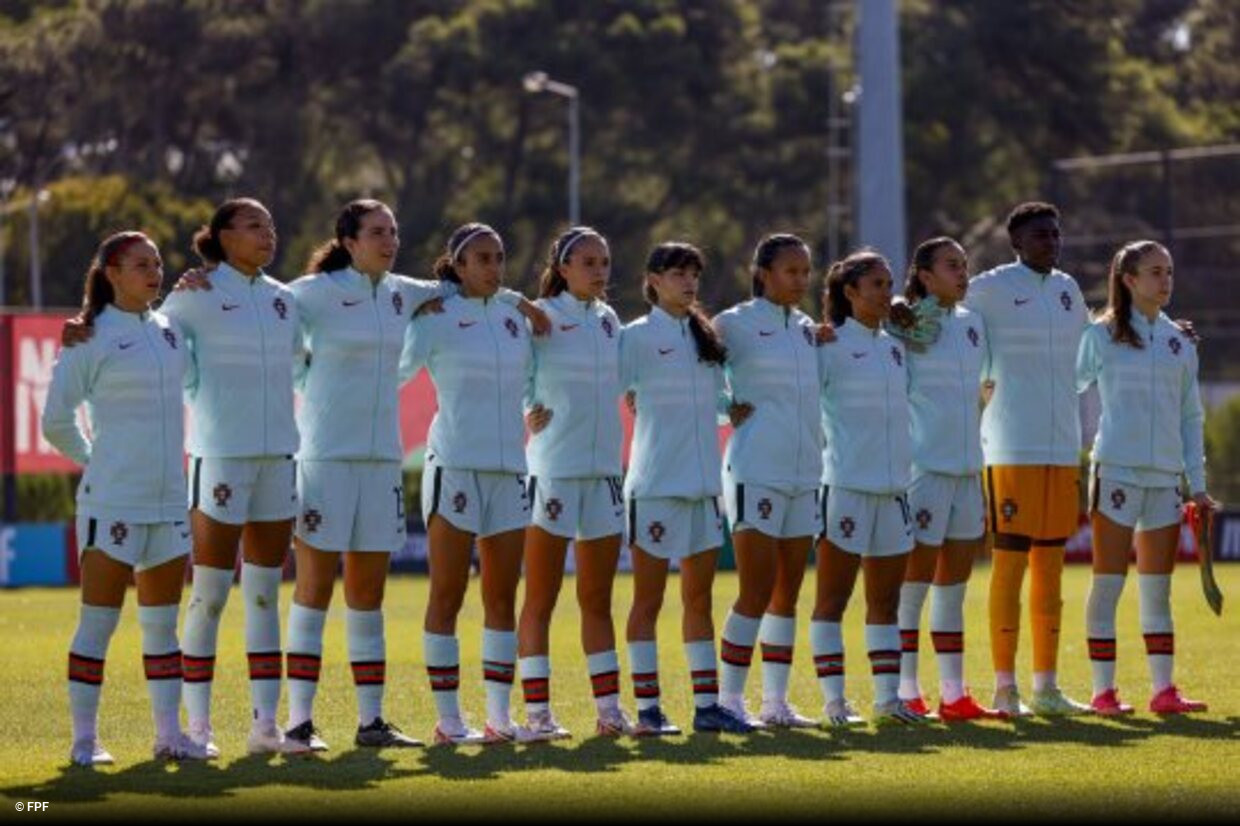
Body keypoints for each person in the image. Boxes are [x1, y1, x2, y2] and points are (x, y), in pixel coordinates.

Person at [284, 205, 547, 751]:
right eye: (377, 232)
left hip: (384, 462)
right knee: (312, 591)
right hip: (329, 458)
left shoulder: (409, 293)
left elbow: (464, 288)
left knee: (369, 595)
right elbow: (267, 306)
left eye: (394, 231)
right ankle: (295, 722)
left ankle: (374, 722)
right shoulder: (316, 291)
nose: (390, 240)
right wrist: (304, 372)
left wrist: (519, 299)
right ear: (348, 240)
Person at [59, 199, 307, 755]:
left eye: (271, 224)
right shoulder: (189, 297)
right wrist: (86, 327)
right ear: (221, 236)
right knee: (210, 597)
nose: (268, 233)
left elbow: (309, 364)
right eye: (253, 226)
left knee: (266, 595)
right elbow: (147, 341)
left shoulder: (285, 300)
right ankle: (195, 728)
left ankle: (266, 727)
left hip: (278, 462)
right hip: (216, 461)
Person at [43, 232, 208, 764]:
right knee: (99, 623)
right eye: (141, 265)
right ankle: (84, 742)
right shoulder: (88, 336)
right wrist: (97, 460)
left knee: (162, 626)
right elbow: (54, 420)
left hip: (167, 504)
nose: (153, 272)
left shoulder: (169, 332)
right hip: (111, 504)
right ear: (112, 272)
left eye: (157, 263)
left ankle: (169, 737)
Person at [400, 222, 543, 744]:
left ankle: (499, 719)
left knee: (502, 597)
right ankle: (449, 720)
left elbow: (531, 384)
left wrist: (538, 409)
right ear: (457, 266)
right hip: (455, 467)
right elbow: (392, 370)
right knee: (447, 594)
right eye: (480, 258)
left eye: (499, 257)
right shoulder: (436, 317)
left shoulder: (513, 318)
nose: (492, 267)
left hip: (510, 471)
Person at [620, 241, 754, 735]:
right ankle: (649, 711)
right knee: (648, 602)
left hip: (704, 488)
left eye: (694, 273)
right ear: (653, 280)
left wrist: (730, 410)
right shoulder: (633, 338)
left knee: (699, 600)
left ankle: (705, 708)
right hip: (654, 487)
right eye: (678, 273)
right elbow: (606, 388)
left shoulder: (704, 336)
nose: (689, 282)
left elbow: (716, 401)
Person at [963, 202, 1091, 716]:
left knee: (1052, 572)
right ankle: (1003, 687)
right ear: (1016, 242)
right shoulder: (990, 288)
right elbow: (953, 331)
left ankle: (1047, 687)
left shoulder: (1069, 290)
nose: (1051, 243)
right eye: (1040, 235)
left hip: (1062, 448)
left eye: (1056, 234)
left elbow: (1085, 364)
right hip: (1010, 447)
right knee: (1009, 569)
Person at [1078, 240, 1214, 715]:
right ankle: (1103, 692)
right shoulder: (1100, 336)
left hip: (1164, 481)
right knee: (1109, 583)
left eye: (1169, 272)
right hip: (1115, 471)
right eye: (1154, 272)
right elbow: (1065, 384)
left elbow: (1190, 418)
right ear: (1128, 280)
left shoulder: (1180, 340)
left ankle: (1163, 690)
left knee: (1157, 588)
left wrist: (1196, 485)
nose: (1165, 280)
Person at [517, 226, 636, 738]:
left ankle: (609, 712)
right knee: (540, 599)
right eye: (587, 261)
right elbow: (518, 375)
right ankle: (538, 714)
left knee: (597, 599)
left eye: (604, 261)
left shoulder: (610, 321)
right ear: (562, 268)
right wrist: (527, 408)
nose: (599, 270)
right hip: (554, 472)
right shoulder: (541, 317)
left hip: (605, 475)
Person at [811, 248, 925, 726]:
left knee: (886, 602)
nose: (886, 292)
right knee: (832, 601)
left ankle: (887, 700)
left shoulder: (896, 347)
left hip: (895, 491)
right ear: (850, 291)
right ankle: (834, 702)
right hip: (846, 488)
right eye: (876, 284)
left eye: (889, 283)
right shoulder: (827, 345)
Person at [713, 234, 823, 729]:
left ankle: (775, 705)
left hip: (804, 474)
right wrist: (724, 409)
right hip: (755, 470)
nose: (801, 280)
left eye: (805, 271)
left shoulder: (807, 329)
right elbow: (704, 379)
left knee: (787, 593)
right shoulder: (732, 324)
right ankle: (729, 701)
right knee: (754, 590)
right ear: (763, 273)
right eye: (791, 271)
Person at [894, 237, 1003, 721]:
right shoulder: (905, 325)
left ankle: (954, 695)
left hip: (967, 471)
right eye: (951, 266)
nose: (963, 274)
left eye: (964, 265)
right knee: (912, 588)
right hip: (925, 471)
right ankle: (905, 690)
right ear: (923, 275)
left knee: (953, 590)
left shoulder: (974, 324)